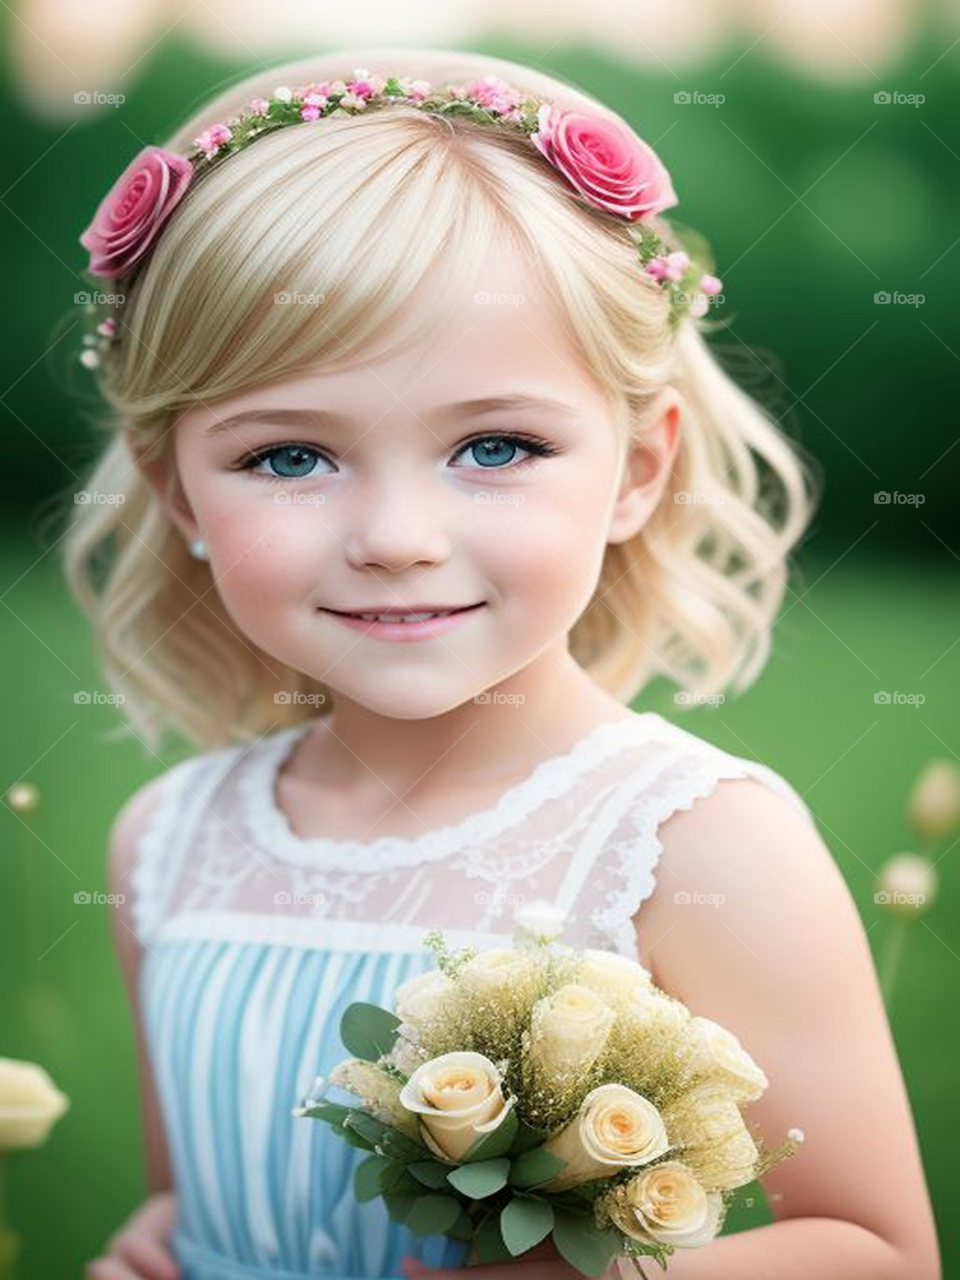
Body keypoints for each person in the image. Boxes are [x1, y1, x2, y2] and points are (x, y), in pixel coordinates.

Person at [66, 44, 940, 1280]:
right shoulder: (167, 840)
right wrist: (154, 1241)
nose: (397, 538)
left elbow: (877, 1248)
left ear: (638, 468)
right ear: (178, 492)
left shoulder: (696, 845)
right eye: (288, 457)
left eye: (495, 446)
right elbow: (198, 1200)